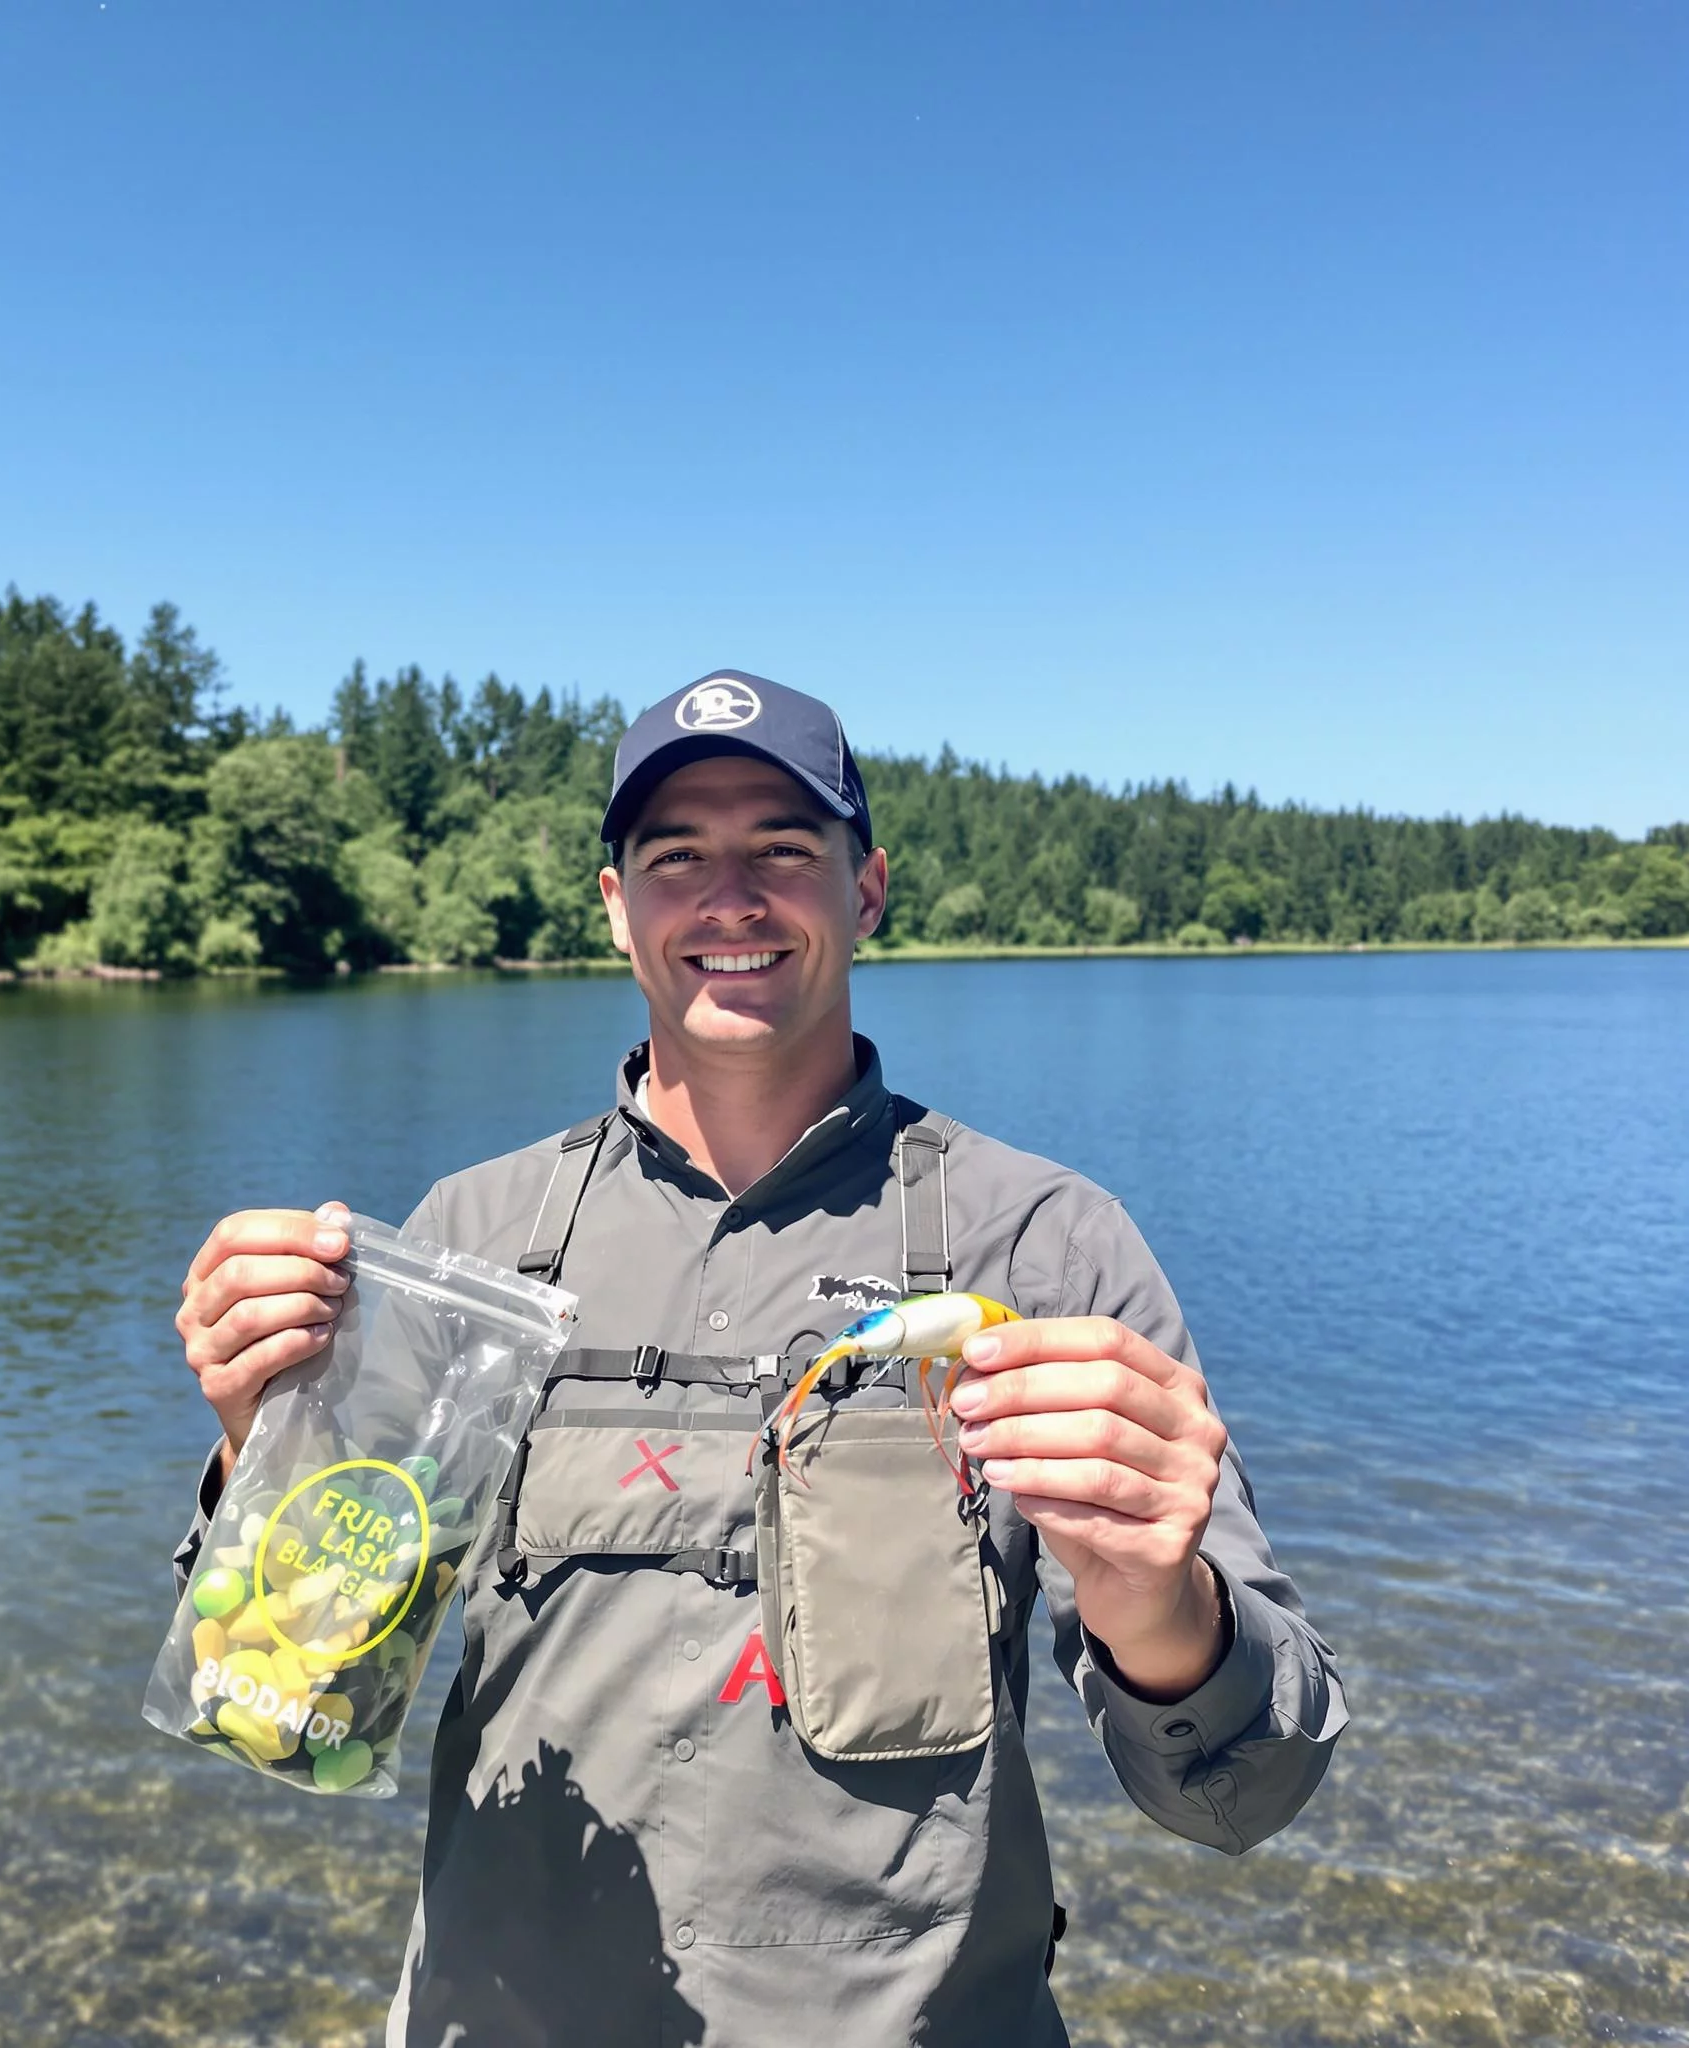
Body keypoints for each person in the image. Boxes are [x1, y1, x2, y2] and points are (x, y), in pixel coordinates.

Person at [172, 671, 1348, 2047]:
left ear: (869, 890)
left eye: (785, 850)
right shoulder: (471, 1243)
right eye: (676, 858)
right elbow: (285, 1702)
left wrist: (1158, 1597)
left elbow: (1239, 1796)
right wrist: (263, 1452)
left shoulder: (1041, 1247)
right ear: (615, 907)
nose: (729, 897)